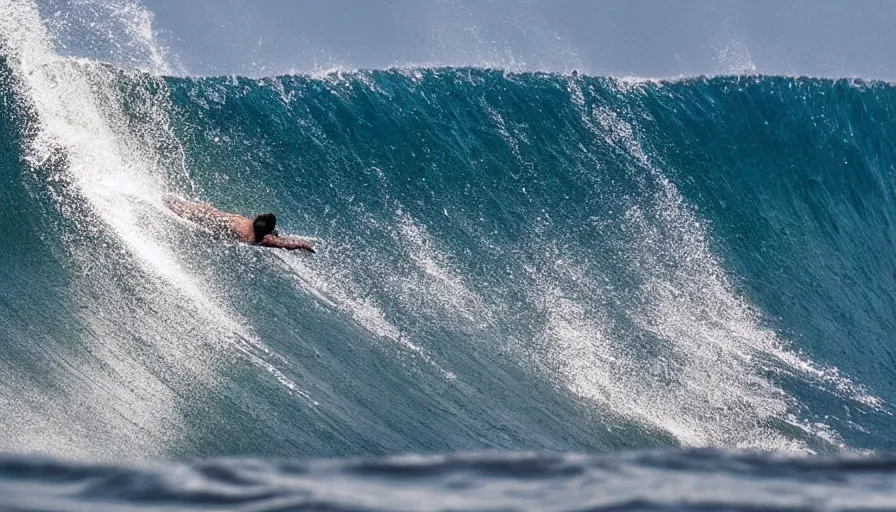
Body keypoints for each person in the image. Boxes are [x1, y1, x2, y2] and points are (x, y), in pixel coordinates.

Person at [163, 196, 315, 253]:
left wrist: (300, 245)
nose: (257, 216)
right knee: (201, 210)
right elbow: (283, 241)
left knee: (193, 212)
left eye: (259, 218)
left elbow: (283, 245)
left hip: (216, 224)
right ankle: (171, 202)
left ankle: (168, 204)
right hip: (216, 217)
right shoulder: (258, 228)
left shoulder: (263, 238)